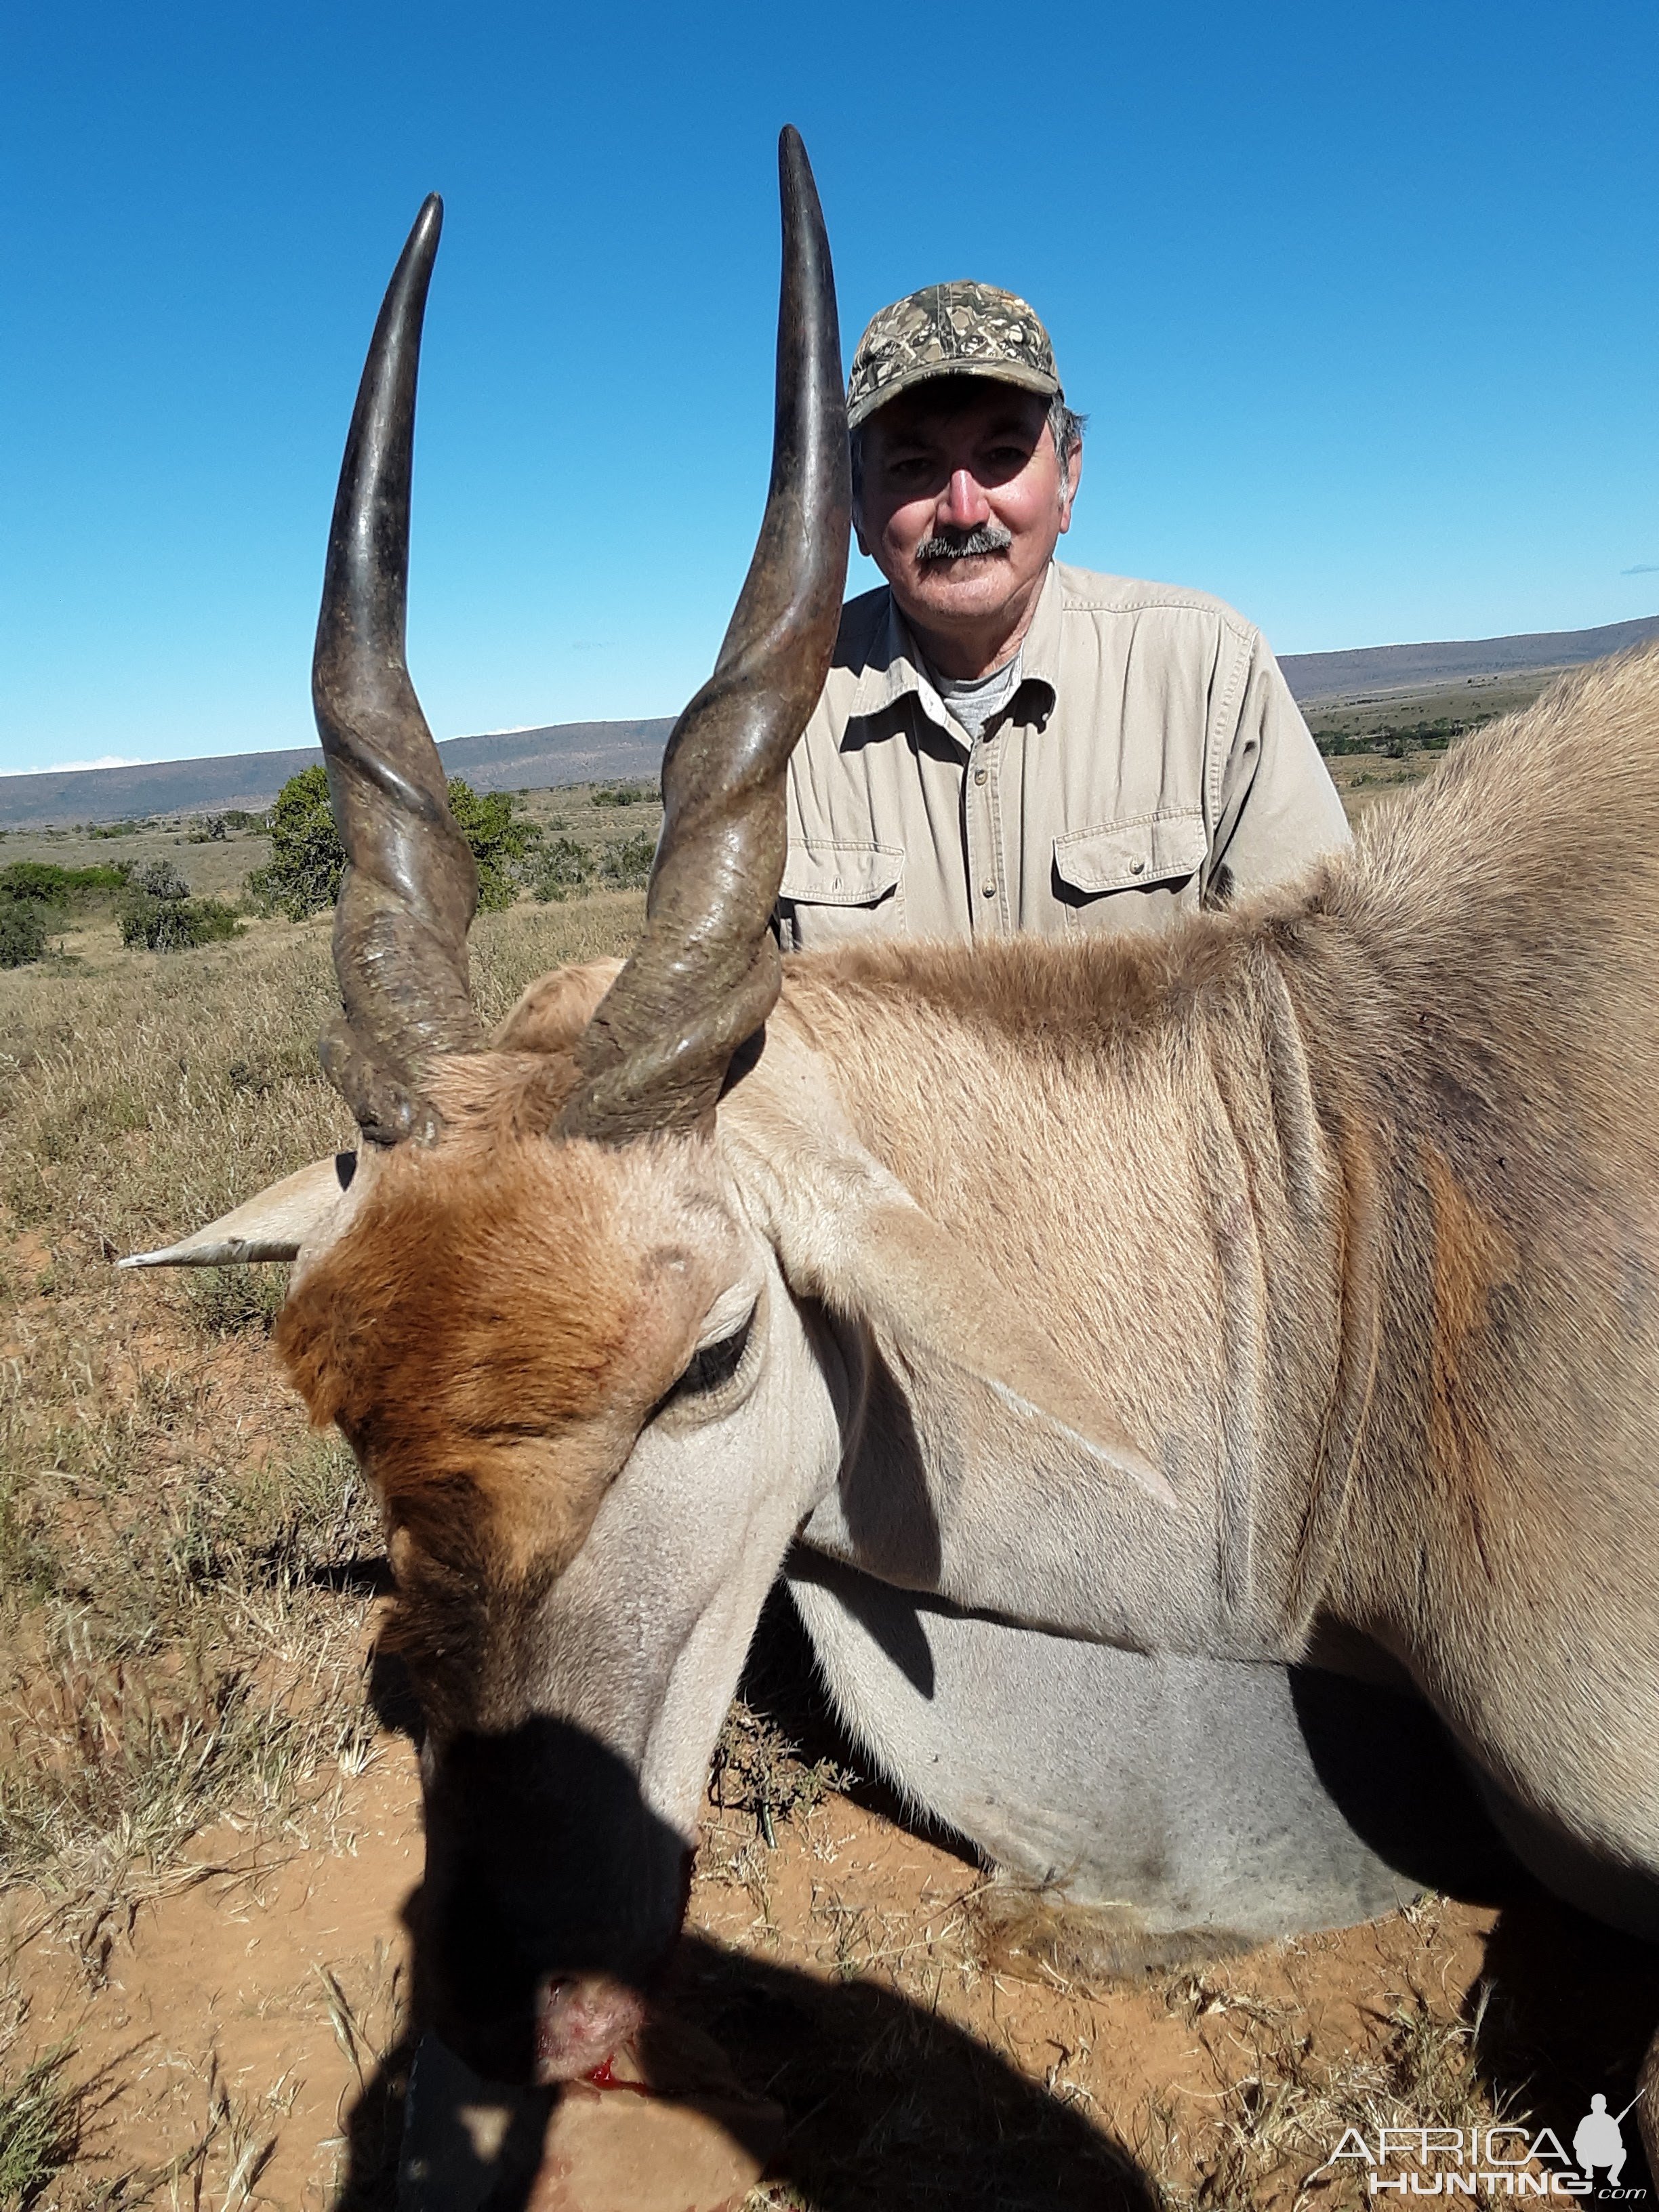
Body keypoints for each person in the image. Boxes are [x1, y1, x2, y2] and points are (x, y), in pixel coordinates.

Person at [777, 281, 1350, 951]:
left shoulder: (1213, 673)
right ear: (856, 507)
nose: (963, 509)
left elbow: (1322, 984)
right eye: (913, 465)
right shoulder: (774, 721)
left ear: (1068, 480)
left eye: (1002, 457)